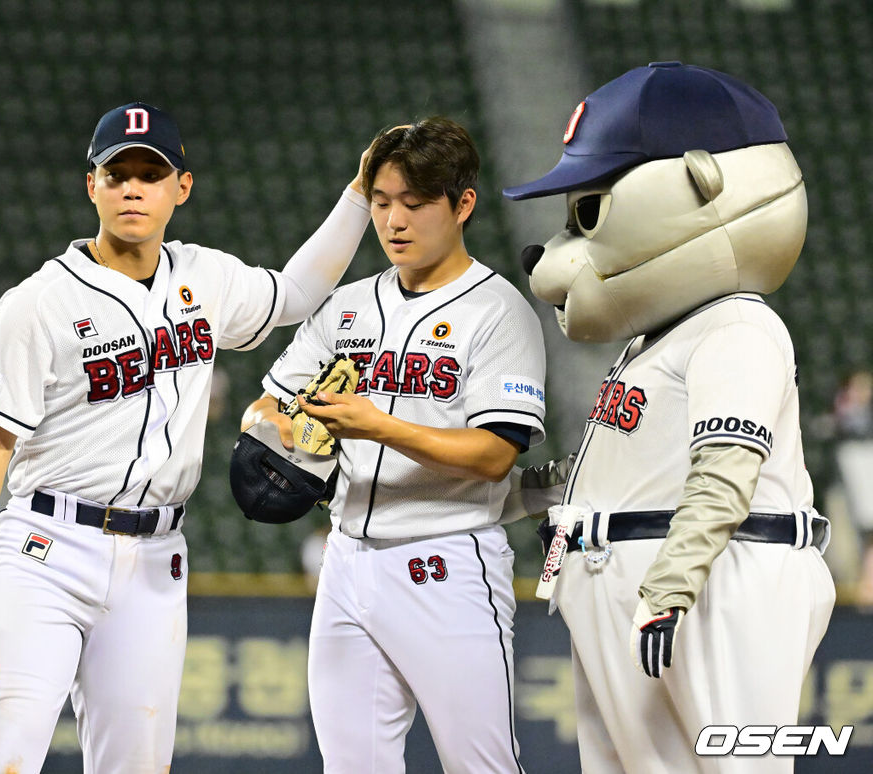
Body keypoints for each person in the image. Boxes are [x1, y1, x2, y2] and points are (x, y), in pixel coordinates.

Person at [0, 101, 372, 774]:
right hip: (46, 552)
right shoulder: (38, 302)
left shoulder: (206, 277)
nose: (133, 187)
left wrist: (362, 194)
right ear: (92, 186)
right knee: (3, 759)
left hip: (157, 557)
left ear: (180, 188)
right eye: (117, 172)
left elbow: (295, 293)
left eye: (151, 173)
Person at [504, 62, 835, 773]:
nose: (559, 249)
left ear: (702, 183)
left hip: (718, 578)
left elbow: (725, 473)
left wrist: (671, 585)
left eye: (588, 215)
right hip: (623, 571)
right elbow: (610, 472)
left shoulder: (739, 325)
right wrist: (490, 493)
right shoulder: (653, 340)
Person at [241, 118, 546, 773]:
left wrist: (376, 426)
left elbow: (495, 454)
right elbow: (269, 404)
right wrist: (280, 430)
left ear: (462, 204)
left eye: (415, 203)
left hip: (447, 560)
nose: (394, 221)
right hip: (346, 560)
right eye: (381, 203)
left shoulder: (498, 313)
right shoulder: (347, 306)